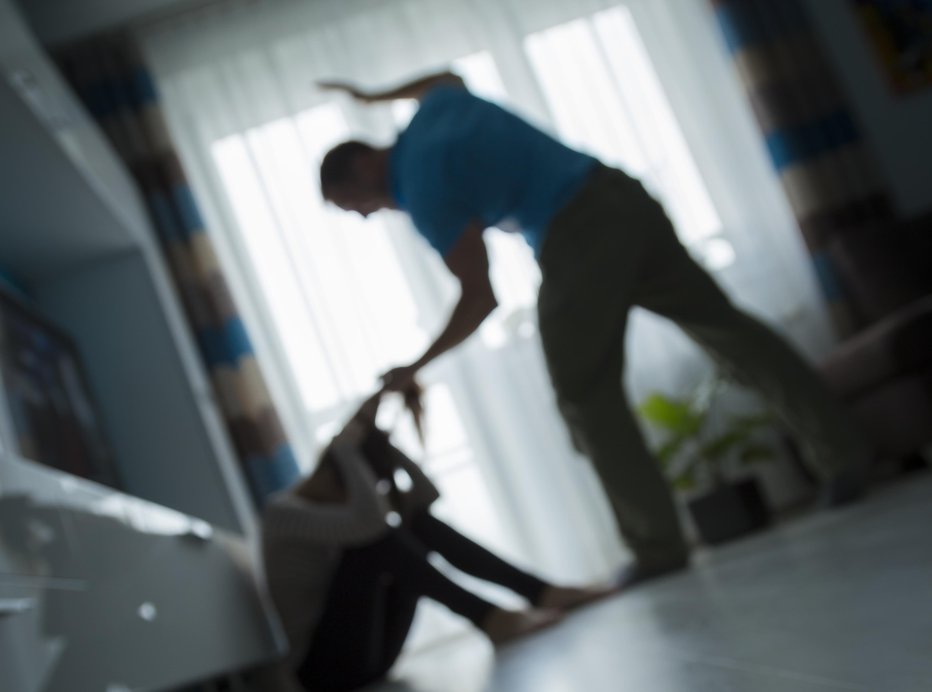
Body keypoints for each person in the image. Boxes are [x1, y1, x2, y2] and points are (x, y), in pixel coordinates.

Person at [316, 70, 868, 589]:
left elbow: (480, 297)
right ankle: (845, 455)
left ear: (363, 167)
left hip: (577, 232)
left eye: (354, 204)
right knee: (731, 333)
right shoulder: (434, 111)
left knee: (584, 391)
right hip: (620, 195)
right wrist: (371, 98)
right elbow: (444, 75)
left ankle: (658, 547)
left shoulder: (421, 187)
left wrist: (413, 367)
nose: (366, 215)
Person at [261, 390, 615, 692]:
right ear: (327, 475)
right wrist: (345, 452)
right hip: (321, 675)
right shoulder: (281, 512)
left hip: (372, 655)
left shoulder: (320, 510)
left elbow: (427, 499)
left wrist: (390, 450)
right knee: (373, 542)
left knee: (417, 525)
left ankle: (540, 592)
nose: (350, 502)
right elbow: (371, 522)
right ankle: (489, 618)